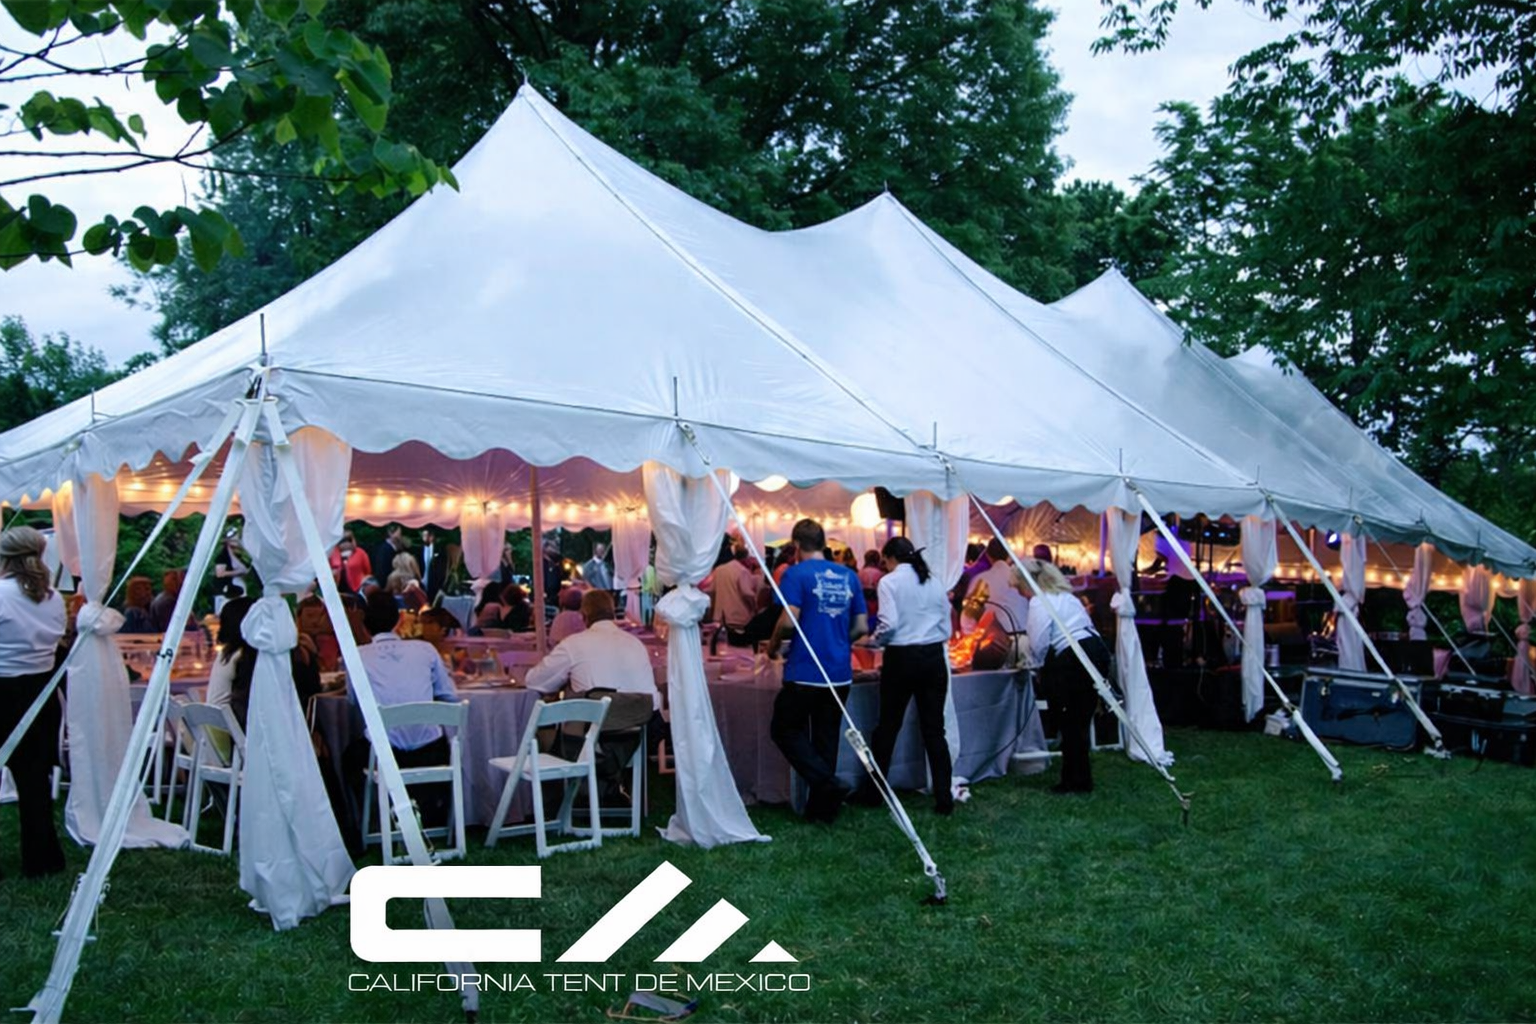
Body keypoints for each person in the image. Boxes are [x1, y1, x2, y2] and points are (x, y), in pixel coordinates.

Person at [767, 518, 868, 823]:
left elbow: (787, 621)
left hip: (805, 670)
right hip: (839, 671)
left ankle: (827, 783)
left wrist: (772, 645)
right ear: (824, 544)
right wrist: (839, 641)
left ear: (796, 546)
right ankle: (822, 813)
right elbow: (862, 626)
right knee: (826, 739)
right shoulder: (850, 575)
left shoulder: (795, 574)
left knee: (783, 728)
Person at [526, 590, 662, 802]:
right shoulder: (636, 644)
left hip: (590, 736)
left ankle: (559, 797)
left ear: (583, 616)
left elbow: (535, 681)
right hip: (636, 733)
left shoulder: (574, 644)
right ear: (613, 613)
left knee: (548, 726)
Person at [861, 536, 954, 814]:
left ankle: (875, 792)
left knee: (888, 727)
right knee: (935, 731)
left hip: (902, 658)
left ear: (890, 559)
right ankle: (943, 796)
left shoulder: (889, 582)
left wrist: (874, 641)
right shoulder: (935, 581)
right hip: (933, 656)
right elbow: (946, 623)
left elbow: (888, 622)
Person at [350, 591, 460, 824]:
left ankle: (366, 822)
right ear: (399, 620)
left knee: (348, 755)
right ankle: (437, 815)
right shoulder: (425, 650)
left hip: (385, 754)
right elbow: (450, 695)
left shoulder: (357, 656)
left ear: (364, 624)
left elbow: (353, 701)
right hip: (431, 751)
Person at [0, 526, 67, 877]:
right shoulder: (53, 598)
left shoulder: (2, 593)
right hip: (41, 696)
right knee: (34, 781)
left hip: (4, 691)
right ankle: (42, 859)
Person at [1012, 559, 1111, 794]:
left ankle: (1074, 781)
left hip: (1074, 657)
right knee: (1080, 720)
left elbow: (1039, 642)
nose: (1018, 591)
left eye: (1018, 586)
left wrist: (1036, 668)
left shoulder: (1039, 602)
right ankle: (1079, 777)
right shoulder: (1067, 597)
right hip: (1095, 649)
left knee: (1070, 722)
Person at [965, 539, 1030, 636]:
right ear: (1008, 555)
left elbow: (968, 618)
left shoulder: (981, 580)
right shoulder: (1022, 580)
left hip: (991, 642)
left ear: (987, 555)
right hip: (1022, 639)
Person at [703, 543, 760, 646]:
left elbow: (710, 590)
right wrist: (755, 607)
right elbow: (747, 593)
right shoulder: (742, 571)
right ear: (745, 558)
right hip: (738, 619)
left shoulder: (719, 569)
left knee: (719, 648)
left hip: (719, 618)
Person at [212, 530, 250, 613]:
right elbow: (219, 573)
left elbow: (245, 570)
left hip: (238, 594)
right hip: (224, 594)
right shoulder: (222, 557)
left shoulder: (240, 556)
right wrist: (237, 572)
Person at [417, 527, 440, 602]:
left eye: (425, 535)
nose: (424, 538)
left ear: (431, 537)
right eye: (423, 535)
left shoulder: (438, 549)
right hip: (422, 579)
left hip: (434, 581)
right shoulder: (419, 549)